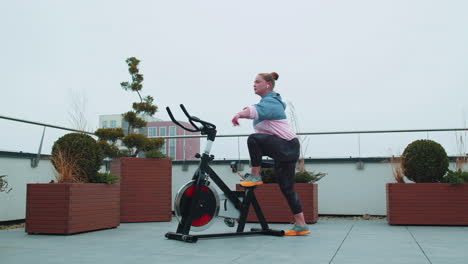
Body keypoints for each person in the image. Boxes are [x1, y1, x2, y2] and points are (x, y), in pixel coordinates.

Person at [231, 72, 310, 236]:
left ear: (268, 84)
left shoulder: (272, 101)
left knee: (253, 140)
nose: (254, 84)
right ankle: (301, 225)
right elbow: (257, 111)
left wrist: (240, 114)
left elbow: (256, 111)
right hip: (286, 149)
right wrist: (247, 110)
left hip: (287, 146)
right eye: (253, 82)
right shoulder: (267, 103)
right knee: (287, 189)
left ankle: (255, 176)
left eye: (257, 82)